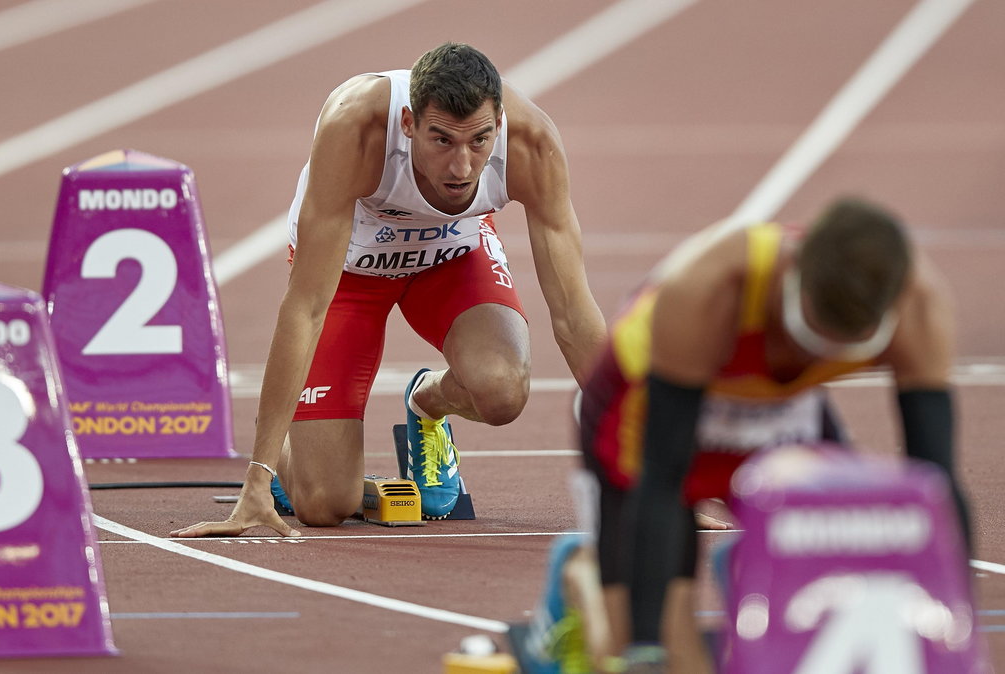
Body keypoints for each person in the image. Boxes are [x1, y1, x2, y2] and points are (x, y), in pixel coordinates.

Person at [171, 42, 607, 537]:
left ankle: (427, 404)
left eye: (480, 141)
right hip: (350, 270)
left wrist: (653, 483)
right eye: (442, 141)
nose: (462, 167)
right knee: (324, 504)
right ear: (408, 123)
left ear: (500, 124)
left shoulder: (532, 143)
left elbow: (574, 314)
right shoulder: (355, 127)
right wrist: (257, 476)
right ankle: (297, 451)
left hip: (451, 258)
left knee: (503, 391)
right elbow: (306, 308)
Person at [518, 197, 972, 672]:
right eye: (811, 336)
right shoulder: (708, 287)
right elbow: (665, 482)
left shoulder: (918, 305)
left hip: (781, 411)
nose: (816, 355)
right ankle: (583, 573)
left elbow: (937, 483)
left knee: (841, 581)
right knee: (668, 658)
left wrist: (958, 633)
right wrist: (646, 649)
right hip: (650, 406)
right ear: (794, 276)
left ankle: (751, 565)